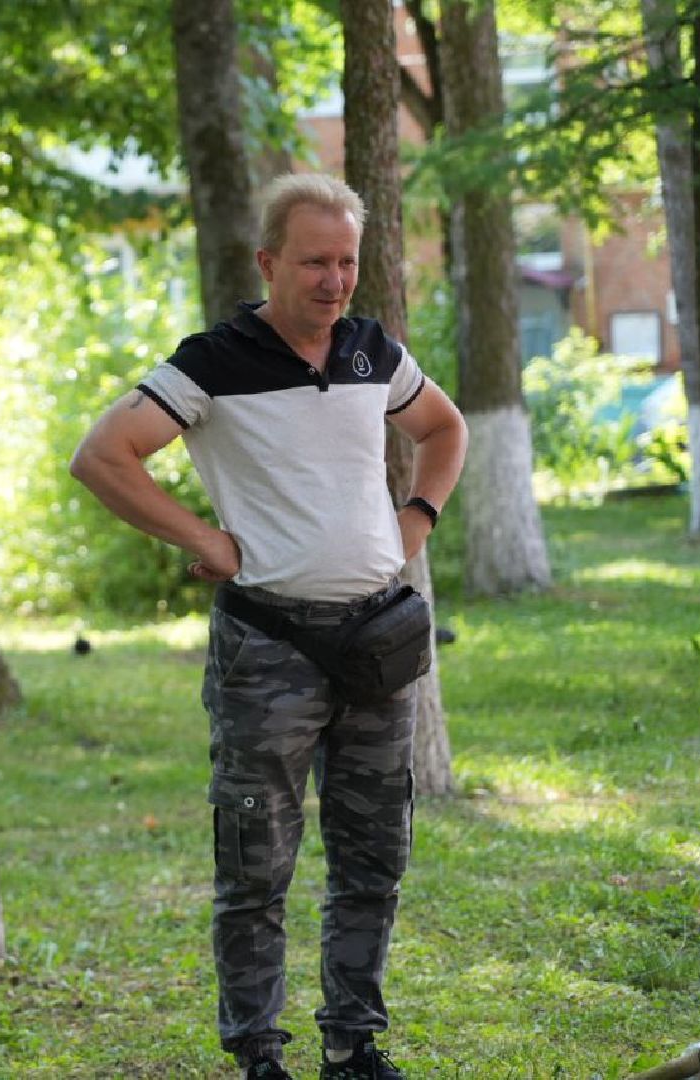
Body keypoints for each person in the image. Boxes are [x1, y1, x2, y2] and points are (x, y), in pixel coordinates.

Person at [70, 174, 467, 1080]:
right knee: (256, 863)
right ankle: (258, 1053)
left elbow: (443, 430)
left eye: (347, 262)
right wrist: (202, 535)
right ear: (267, 263)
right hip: (269, 650)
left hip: (377, 641)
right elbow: (100, 456)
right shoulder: (214, 360)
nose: (333, 282)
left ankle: (353, 1044)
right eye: (313, 262)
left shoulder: (372, 350)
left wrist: (416, 521)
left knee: (374, 856)